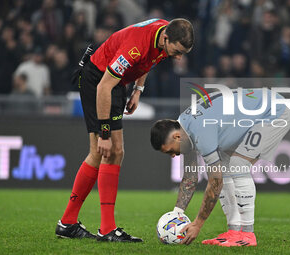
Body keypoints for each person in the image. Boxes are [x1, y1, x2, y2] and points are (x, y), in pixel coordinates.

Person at [55, 18, 194, 242]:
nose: (178, 57)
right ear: (167, 38)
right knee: (106, 150)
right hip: (99, 81)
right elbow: (103, 87)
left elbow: (149, 60)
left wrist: (138, 89)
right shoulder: (134, 48)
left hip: (116, 83)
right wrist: (104, 134)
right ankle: (104, 228)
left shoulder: (163, 32)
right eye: (177, 51)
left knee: (112, 152)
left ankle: (69, 223)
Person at [150, 88, 290, 245]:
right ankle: (233, 231)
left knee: (238, 165)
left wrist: (198, 224)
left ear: (176, 137)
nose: (172, 155)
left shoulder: (200, 131)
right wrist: (177, 213)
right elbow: (190, 176)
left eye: (170, 151)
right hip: (259, 108)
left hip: (275, 112)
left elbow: (215, 183)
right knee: (225, 164)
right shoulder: (183, 125)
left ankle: (247, 235)